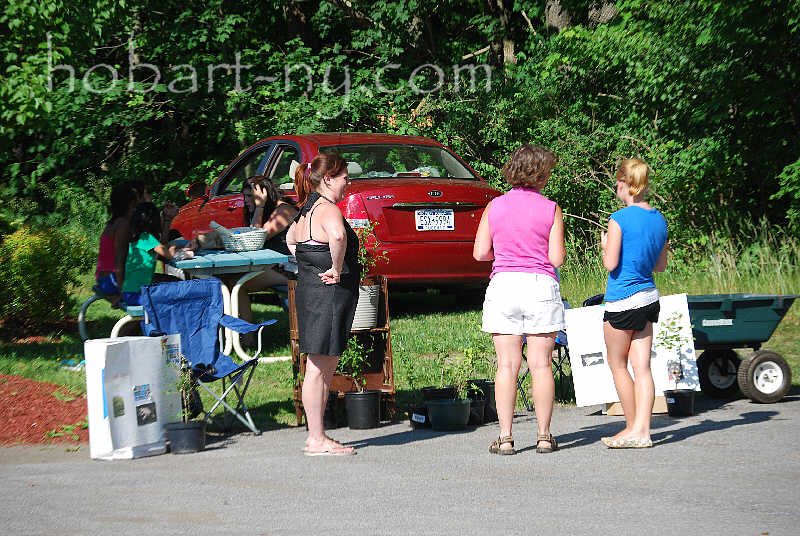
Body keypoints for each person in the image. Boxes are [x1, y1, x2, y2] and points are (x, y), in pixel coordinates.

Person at [474, 144, 566, 455]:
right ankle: (543, 435)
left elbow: (479, 253)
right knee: (540, 365)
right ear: (540, 174)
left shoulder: (494, 207)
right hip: (540, 285)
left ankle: (506, 436)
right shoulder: (551, 208)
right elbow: (557, 256)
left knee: (507, 365)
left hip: (504, 286)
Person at [286, 154, 360, 456]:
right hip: (327, 296)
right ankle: (316, 438)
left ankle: (317, 435)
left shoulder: (306, 210)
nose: (348, 183)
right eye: (344, 177)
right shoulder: (327, 208)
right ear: (328, 179)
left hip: (311, 294)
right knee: (319, 368)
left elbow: (290, 240)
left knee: (319, 368)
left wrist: (307, 262)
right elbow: (339, 235)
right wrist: (335, 266)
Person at [600, 158, 668, 449]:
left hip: (622, 299)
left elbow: (610, 263)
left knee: (617, 364)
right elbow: (661, 265)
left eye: (617, 181)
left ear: (625, 183)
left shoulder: (619, 219)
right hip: (649, 297)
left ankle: (631, 426)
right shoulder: (659, 218)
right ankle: (644, 430)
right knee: (643, 368)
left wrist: (605, 246)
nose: (615, 185)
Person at [227, 175, 298, 338]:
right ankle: (239, 336)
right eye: (245, 196)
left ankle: (248, 338)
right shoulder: (266, 212)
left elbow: (255, 241)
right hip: (276, 266)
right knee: (231, 281)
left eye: (250, 196)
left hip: (293, 268)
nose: (246, 200)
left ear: (265, 195)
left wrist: (259, 207)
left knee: (238, 284)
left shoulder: (283, 210)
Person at [120, 202, 194, 306]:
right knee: (180, 287)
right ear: (152, 222)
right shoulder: (147, 238)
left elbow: (162, 245)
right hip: (139, 295)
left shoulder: (135, 238)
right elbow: (169, 255)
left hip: (129, 292)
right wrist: (175, 246)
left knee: (175, 281)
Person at [95, 182, 137, 307]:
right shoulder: (122, 225)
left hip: (104, 279)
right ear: (131, 204)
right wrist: (123, 293)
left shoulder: (113, 223)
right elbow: (119, 263)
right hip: (111, 281)